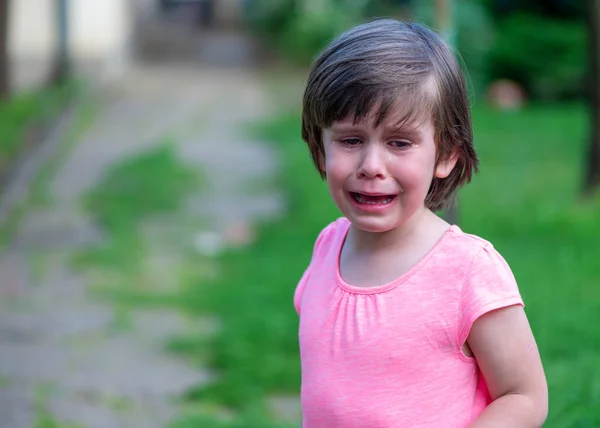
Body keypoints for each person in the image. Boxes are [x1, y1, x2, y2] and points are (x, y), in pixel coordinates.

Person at [294, 19, 548, 427]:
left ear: (446, 153)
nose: (372, 166)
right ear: (320, 148)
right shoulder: (328, 246)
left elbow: (524, 395)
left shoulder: (467, 271)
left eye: (399, 142)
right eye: (350, 140)